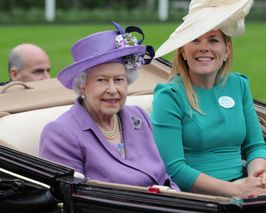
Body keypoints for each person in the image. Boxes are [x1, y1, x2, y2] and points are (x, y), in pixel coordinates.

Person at [151, 0, 266, 199]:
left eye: (213, 40)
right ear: (182, 50)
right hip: (197, 198)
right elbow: (174, 169)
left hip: (243, 187)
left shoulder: (238, 85)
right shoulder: (169, 95)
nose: (203, 48)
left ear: (227, 50)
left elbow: (256, 146)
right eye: (195, 40)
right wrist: (237, 190)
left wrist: (257, 175)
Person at [39, 22, 179, 190]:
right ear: (83, 84)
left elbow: (164, 177)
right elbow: (72, 198)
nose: (112, 90)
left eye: (119, 79)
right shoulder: (61, 133)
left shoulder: (138, 117)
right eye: (102, 80)